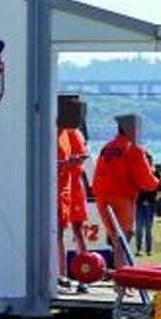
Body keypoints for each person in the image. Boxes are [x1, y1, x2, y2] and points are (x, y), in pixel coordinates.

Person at [93, 114, 160, 269]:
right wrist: (156, 181)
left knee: (117, 240)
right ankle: (122, 280)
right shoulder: (134, 149)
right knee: (123, 239)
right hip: (122, 197)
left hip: (102, 195)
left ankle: (120, 278)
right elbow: (145, 180)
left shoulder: (107, 147)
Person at [56, 120, 90, 289]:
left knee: (78, 230)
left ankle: (85, 275)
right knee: (59, 231)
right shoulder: (59, 133)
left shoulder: (75, 133)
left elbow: (83, 160)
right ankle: (61, 274)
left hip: (74, 185)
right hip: (65, 185)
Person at [134, 151, 161, 256]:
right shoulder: (138, 172)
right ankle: (138, 249)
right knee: (139, 228)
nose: (148, 162)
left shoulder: (156, 173)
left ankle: (148, 250)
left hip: (150, 204)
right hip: (139, 203)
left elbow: (157, 188)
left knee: (148, 228)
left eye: (149, 160)